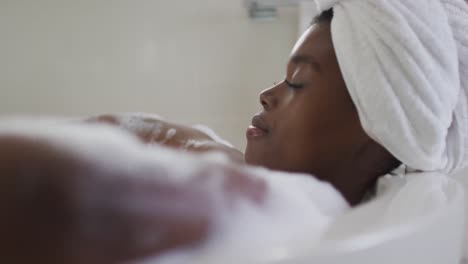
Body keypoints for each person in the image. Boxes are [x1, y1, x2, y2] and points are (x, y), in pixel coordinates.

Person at [0, 0, 467, 263]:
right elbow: (152, 132)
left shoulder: (266, 205)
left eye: (298, 82)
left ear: (376, 129)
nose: (267, 94)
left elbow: (59, 195)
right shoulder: (276, 190)